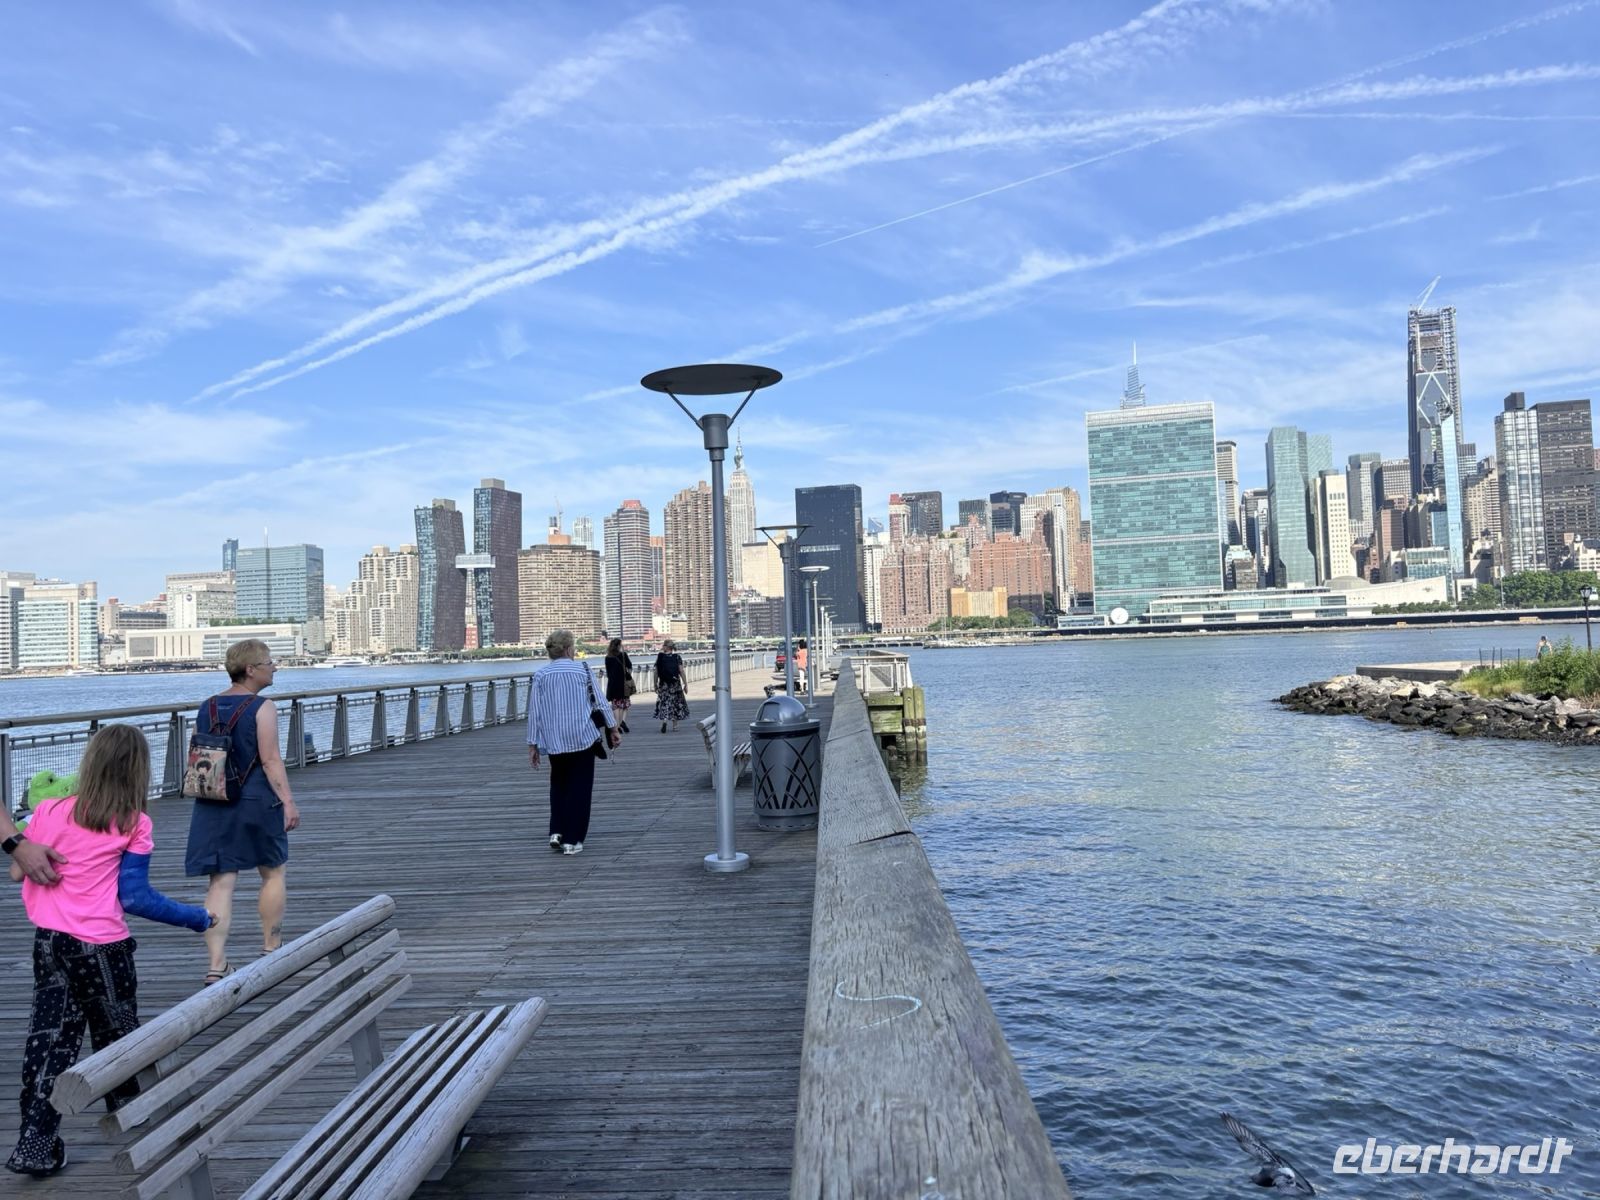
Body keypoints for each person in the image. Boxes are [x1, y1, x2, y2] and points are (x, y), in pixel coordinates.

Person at [7, 725, 211, 1179]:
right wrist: (196, 918)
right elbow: (135, 897)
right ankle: (131, 1117)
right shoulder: (133, 823)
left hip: (50, 943)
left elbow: (19, 874)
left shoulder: (49, 810)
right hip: (101, 947)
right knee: (118, 1034)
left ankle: (35, 1144)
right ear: (138, 770)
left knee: (49, 1041)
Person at [184, 639, 301, 987]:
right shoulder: (263, 707)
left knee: (221, 881)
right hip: (255, 799)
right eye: (268, 662)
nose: (274, 667)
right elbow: (270, 760)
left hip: (213, 801)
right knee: (273, 871)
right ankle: (271, 949)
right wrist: (288, 801)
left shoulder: (207, 706)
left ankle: (216, 964)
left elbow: (197, 753)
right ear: (250, 670)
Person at [528, 630, 620, 856]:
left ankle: (556, 831)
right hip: (582, 738)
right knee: (580, 788)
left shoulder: (540, 675)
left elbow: (534, 713)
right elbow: (600, 702)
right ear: (569, 649)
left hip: (554, 740)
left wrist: (532, 744)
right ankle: (573, 840)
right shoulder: (583, 670)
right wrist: (613, 728)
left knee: (559, 784)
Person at [653, 639, 690, 733]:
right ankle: (675, 726)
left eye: (663, 645)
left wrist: (655, 684)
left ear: (666, 647)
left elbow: (656, 672)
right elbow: (681, 671)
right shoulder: (677, 657)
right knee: (675, 703)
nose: (662, 647)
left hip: (664, 684)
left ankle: (665, 720)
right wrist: (685, 684)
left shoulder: (660, 657)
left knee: (664, 702)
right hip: (675, 683)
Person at [604, 637, 635, 734]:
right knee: (624, 704)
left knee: (616, 706)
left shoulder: (607, 658)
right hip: (623, 684)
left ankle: (617, 726)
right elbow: (630, 666)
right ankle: (622, 722)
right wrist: (627, 674)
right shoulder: (623, 655)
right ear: (618, 646)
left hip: (613, 684)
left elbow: (608, 673)